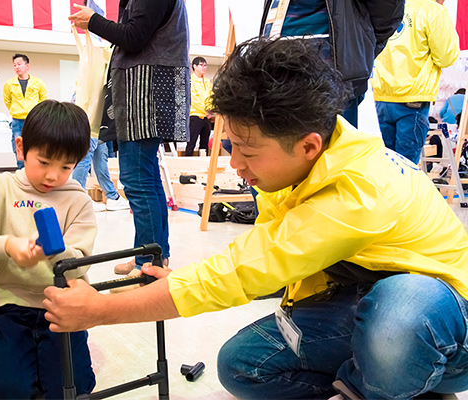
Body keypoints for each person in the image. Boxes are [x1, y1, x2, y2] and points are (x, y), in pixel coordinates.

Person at [43, 37, 468, 399]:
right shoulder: (293, 169)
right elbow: (261, 261)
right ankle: (395, 382)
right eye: (231, 148)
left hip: (448, 327)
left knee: (403, 314)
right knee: (242, 364)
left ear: (308, 145)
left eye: (247, 152)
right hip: (359, 301)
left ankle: (393, 379)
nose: (237, 166)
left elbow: (239, 275)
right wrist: (182, 280)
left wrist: (99, 309)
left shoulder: (358, 191)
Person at [0, 100, 96, 398]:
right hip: (8, 307)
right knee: (9, 388)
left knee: (71, 387)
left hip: (63, 310)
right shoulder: (1, 188)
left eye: (66, 167)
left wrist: (55, 249)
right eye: (44, 162)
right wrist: (8, 245)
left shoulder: (79, 200)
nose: (52, 176)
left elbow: (81, 262)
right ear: (20, 148)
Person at [69, 0, 190, 275]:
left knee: (138, 179)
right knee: (147, 178)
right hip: (147, 87)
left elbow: (134, 37)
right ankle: (155, 255)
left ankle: (147, 261)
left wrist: (94, 21)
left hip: (144, 89)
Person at [260, 0, 404, 127]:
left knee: (331, 150)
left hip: (328, 68)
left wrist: (361, 43)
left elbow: (387, 10)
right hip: (275, 66)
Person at [372, 0, 460, 164]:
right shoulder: (432, 11)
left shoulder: (383, 6)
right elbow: (446, 57)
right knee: (406, 169)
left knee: (385, 166)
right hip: (412, 99)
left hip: (380, 96)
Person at [3, 53, 47, 169]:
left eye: (19, 64)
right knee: (19, 149)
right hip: (17, 121)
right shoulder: (9, 84)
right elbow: (7, 101)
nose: (16, 67)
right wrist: (16, 111)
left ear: (27, 66)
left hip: (33, 121)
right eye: (14, 65)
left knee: (35, 147)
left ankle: (35, 171)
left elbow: (43, 100)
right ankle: (22, 172)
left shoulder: (38, 83)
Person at [185, 56, 213, 156]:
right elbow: (194, 98)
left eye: (205, 65)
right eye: (201, 65)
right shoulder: (190, 80)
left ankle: (203, 164)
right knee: (191, 142)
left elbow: (211, 96)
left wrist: (210, 110)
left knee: (204, 143)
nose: (204, 67)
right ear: (194, 66)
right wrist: (205, 110)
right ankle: (187, 165)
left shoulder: (207, 81)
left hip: (207, 116)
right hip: (195, 115)